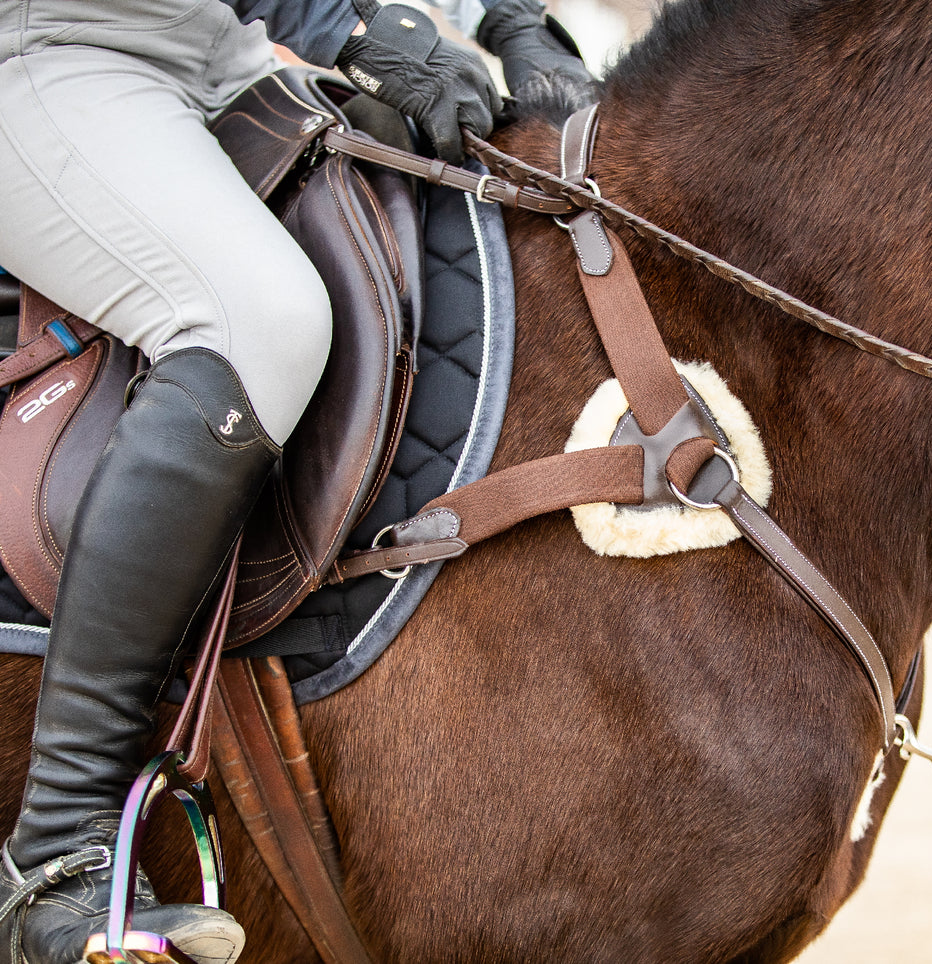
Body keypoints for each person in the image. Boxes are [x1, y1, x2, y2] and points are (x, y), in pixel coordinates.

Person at [0, 1, 589, 962]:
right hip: (51, 46)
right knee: (255, 319)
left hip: (215, 52)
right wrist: (349, 26)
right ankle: (58, 847)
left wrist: (505, 17)